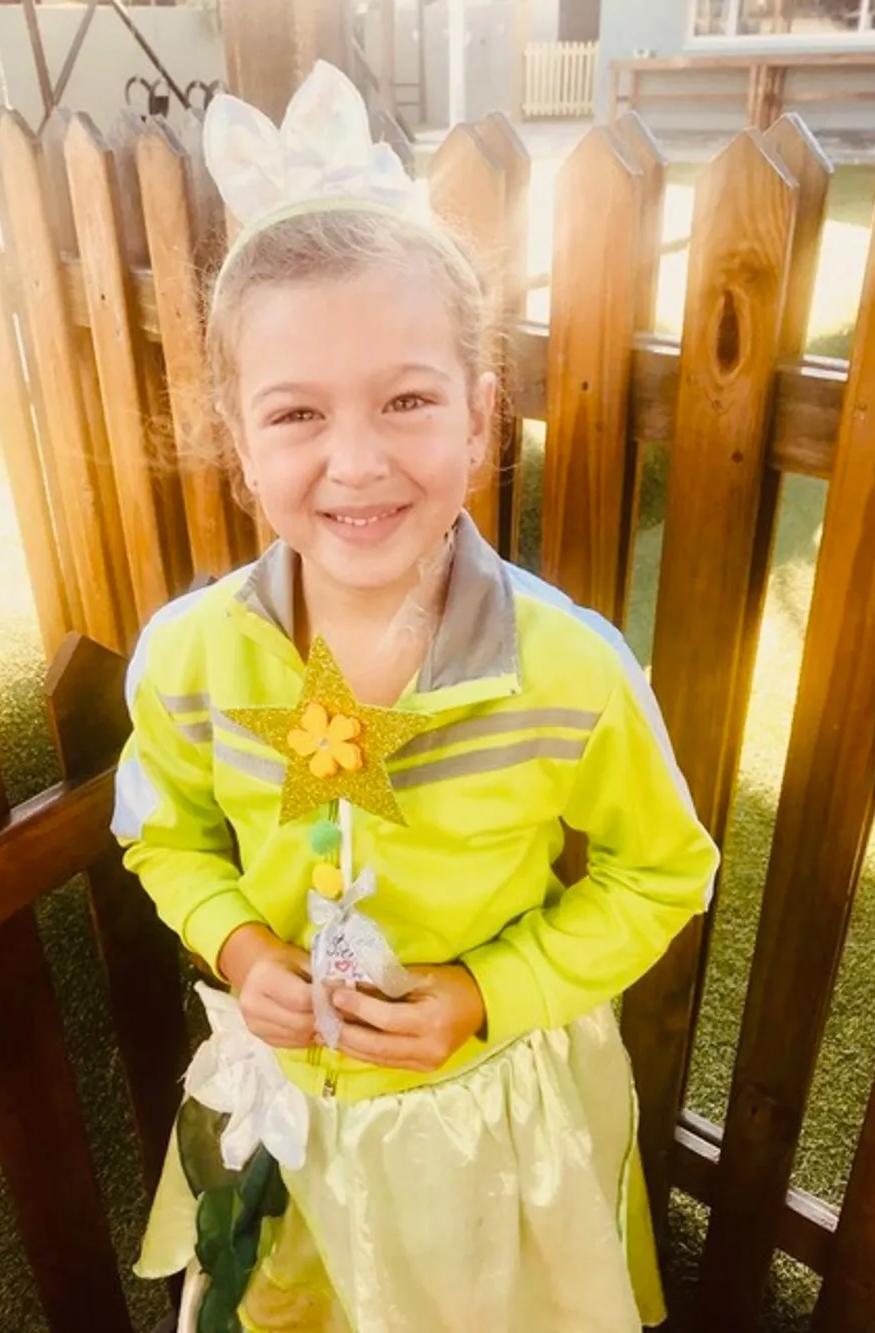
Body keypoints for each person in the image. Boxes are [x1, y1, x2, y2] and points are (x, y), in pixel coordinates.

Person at [112, 62, 720, 1333]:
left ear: (480, 416)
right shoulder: (186, 662)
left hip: (486, 1137)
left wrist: (488, 993)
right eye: (296, 413)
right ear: (237, 438)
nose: (356, 460)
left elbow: (661, 873)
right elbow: (162, 836)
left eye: (406, 399)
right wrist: (239, 946)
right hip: (286, 1118)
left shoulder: (572, 669)